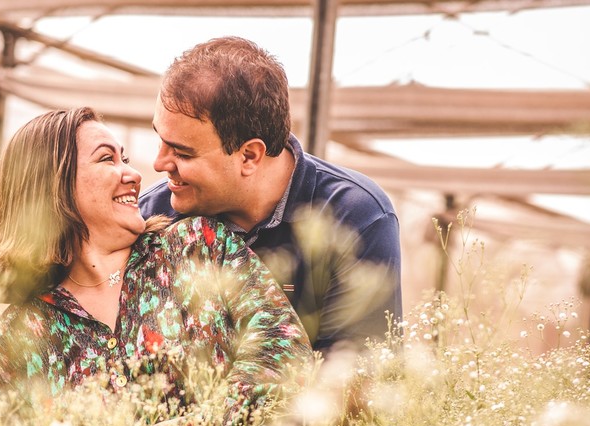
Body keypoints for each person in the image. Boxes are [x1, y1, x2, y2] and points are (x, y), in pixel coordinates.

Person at [0, 107, 313, 426]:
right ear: (50, 182)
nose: (134, 175)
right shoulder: (17, 337)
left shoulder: (199, 247)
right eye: (108, 159)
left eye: (125, 158)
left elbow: (284, 350)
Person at [139, 36, 402, 358]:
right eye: (161, 140)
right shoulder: (153, 215)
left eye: (182, 152)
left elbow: (355, 374)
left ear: (249, 155)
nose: (159, 163)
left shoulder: (354, 215)